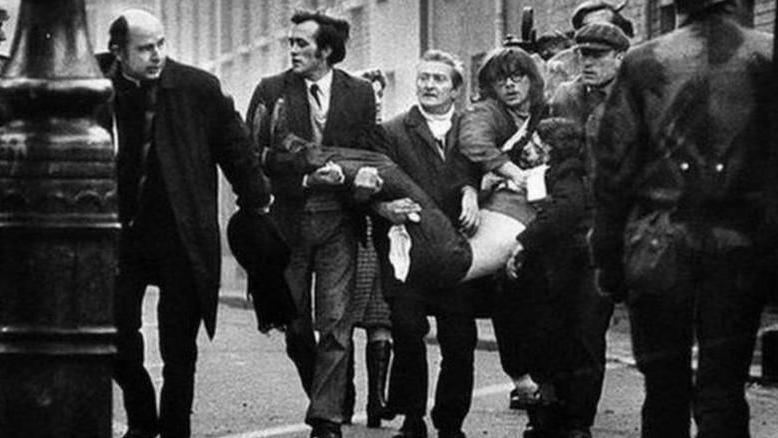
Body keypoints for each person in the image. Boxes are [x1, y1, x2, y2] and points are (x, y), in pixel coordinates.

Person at [591, 1, 775, 437]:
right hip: (739, 247)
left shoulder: (644, 61)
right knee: (724, 391)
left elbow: (614, 169)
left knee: (663, 390)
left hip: (659, 242)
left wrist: (608, 260)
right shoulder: (767, 57)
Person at [102, 9, 272, 438]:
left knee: (179, 345)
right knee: (111, 334)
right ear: (118, 51)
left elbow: (236, 148)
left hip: (182, 234)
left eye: (161, 44)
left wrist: (257, 200)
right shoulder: (95, 89)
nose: (157, 55)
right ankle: (142, 419)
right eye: (145, 48)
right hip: (120, 236)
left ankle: (175, 426)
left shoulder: (198, 88)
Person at [245, 10, 376, 438]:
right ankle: (334, 393)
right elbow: (253, 156)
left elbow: (367, 151)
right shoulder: (270, 91)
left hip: (340, 220)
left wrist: (354, 177)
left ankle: (326, 418)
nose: (294, 50)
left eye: (302, 43)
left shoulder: (359, 94)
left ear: (326, 50)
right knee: (296, 325)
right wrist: (304, 174)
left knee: (336, 320)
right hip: (289, 224)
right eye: (292, 43)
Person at [369, 49, 480, 438]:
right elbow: (371, 188)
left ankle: (450, 423)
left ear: (456, 89)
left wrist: (472, 191)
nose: (429, 85)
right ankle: (412, 418)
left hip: (457, 253)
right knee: (407, 331)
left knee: (460, 340)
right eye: (424, 78)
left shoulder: (472, 130)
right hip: (408, 254)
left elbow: (488, 173)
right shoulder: (393, 131)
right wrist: (385, 209)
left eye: (439, 79)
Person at [545, 22, 629, 438]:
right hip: (563, 224)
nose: (589, 63)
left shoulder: (633, 98)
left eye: (598, 56)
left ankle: (579, 421)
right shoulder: (565, 96)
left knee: (588, 329)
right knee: (555, 324)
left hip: (605, 226)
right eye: (583, 55)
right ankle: (555, 413)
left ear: (619, 58)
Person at [457, 44, 546, 414]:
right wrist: (513, 173)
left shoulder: (549, 108)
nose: (510, 85)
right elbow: (473, 141)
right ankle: (522, 379)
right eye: (500, 79)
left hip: (553, 213)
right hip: (506, 210)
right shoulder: (488, 113)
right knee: (509, 297)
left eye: (518, 76)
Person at [505, 118, 592, 438]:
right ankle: (558, 417)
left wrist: (523, 242)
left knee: (559, 346)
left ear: (550, 149)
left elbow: (563, 212)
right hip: (561, 273)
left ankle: (565, 420)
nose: (529, 150)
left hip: (568, 273)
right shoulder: (559, 171)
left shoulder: (566, 174)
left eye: (536, 144)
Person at [342, 68, 393, 428]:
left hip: (386, 235)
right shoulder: (345, 136)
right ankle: (342, 399)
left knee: (381, 317)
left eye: (378, 95)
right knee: (342, 317)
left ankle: (378, 400)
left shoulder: (390, 136)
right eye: (368, 96)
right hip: (352, 232)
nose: (374, 102)